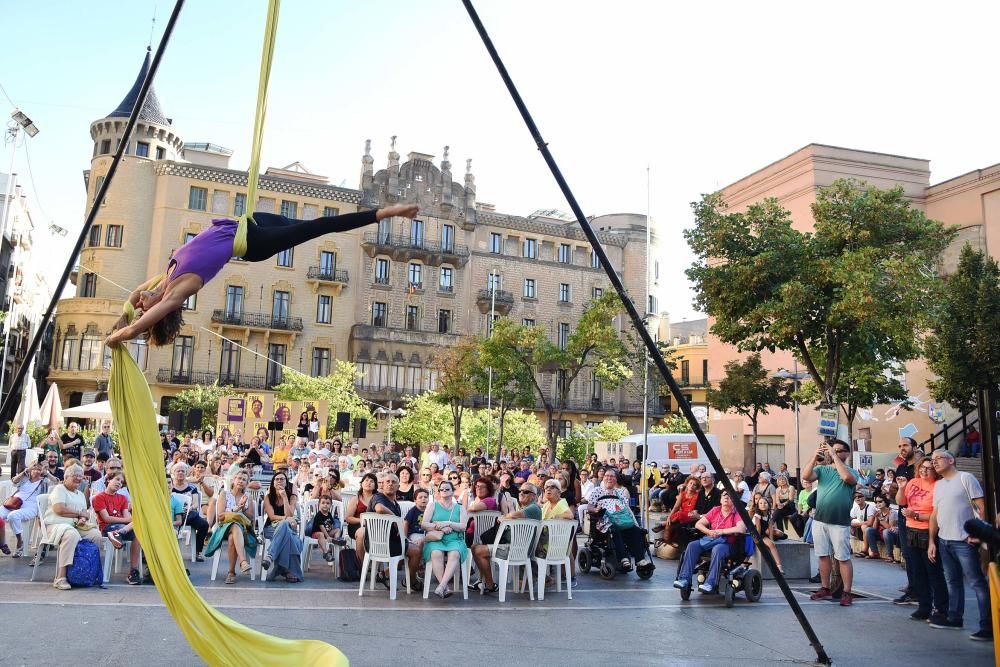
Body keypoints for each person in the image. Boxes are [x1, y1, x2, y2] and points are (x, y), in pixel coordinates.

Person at [105, 205, 419, 348]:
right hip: (255, 243)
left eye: (145, 305)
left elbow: (134, 296)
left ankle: (386, 213)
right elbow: (138, 328)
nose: (143, 303)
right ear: (160, 312)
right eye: (147, 309)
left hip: (251, 222)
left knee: (308, 222)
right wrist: (119, 336)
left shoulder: (163, 281)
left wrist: (120, 320)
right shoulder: (180, 290)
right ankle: (388, 213)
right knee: (319, 226)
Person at [927, 450, 992, 640]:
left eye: (938, 458)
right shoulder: (938, 485)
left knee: (977, 583)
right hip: (944, 540)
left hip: (964, 540)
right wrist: (932, 540)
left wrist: (980, 533)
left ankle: (987, 626)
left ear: (951, 460)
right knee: (953, 582)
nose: (934, 462)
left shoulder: (966, 478)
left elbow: (982, 507)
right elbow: (935, 514)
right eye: (932, 460)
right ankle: (954, 618)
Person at [802, 439, 858, 606]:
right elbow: (806, 476)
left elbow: (847, 478)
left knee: (843, 557)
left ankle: (847, 592)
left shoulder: (851, 471)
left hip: (839, 522)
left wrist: (834, 456)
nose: (835, 453)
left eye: (840, 450)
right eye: (834, 450)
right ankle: (825, 588)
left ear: (846, 454)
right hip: (820, 520)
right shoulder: (822, 469)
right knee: (822, 555)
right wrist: (814, 457)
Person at [897, 457, 948, 623]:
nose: (924, 471)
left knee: (933, 572)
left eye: (929, 468)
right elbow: (901, 501)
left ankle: (940, 609)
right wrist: (902, 487)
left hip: (929, 531)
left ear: (935, 471)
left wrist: (916, 515)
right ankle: (924, 607)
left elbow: (937, 514)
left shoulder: (938, 486)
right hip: (911, 530)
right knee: (917, 571)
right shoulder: (913, 482)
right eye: (922, 468)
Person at [673, 490, 746, 593]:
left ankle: (710, 583)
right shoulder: (715, 510)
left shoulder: (737, 512)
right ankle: (684, 579)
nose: (726, 496)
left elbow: (741, 529)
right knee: (692, 545)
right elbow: (698, 524)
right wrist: (709, 531)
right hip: (711, 539)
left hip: (727, 543)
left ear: (734, 500)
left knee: (717, 549)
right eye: (724, 495)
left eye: (729, 495)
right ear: (720, 499)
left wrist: (722, 531)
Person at [44, 464, 103, 590]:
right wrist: (79, 514)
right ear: (66, 477)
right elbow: (59, 509)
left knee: (95, 535)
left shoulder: (80, 494)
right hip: (56, 525)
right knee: (71, 534)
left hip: (75, 526)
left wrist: (82, 518)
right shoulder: (59, 489)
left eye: (80, 476)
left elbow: (84, 513)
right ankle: (61, 577)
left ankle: (88, 573)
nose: (78, 478)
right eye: (75, 475)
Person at [587, 468, 652, 571]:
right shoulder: (597, 491)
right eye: (607, 476)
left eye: (612, 476)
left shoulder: (620, 492)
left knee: (636, 531)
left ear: (616, 480)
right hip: (605, 522)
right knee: (614, 530)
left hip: (622, 520)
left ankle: (640, 560)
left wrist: (635, 523)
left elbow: (627, 509)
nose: (609, 478)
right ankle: (623, 558)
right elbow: (589, 507)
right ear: (603, 478)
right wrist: (595, 509)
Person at [204, 469, 256, 584]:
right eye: (239, 478)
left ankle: (231, 572)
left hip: (243, 529)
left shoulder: (248, 497)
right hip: (224, 528)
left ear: (247, 483)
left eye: (244, 480)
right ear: (233, 480)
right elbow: (221, 516)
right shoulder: (224, 494)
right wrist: (235, 510)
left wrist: (243, 509)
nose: (241, 481)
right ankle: (243, 561)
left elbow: (251, 517)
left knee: (234, 532)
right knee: (233, 524)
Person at [92, 472, 144, 584]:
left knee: (139, 531)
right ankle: (118, 533)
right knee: (136, 523)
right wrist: (128, 520)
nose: (119, 483)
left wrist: (129, 521)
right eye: (117, 479)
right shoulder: (99, 497)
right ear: (108, 480)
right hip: (107, 528)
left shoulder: (122, 498)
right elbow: (106, 519)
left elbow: (128, 517)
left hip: (121, 528)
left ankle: (133, 571)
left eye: (121, 482)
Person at [421, 479, 469, 598]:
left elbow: (463, 527)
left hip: (455, 539)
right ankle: (445, 587)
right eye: (441, 489)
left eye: (447, 489)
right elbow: (424, 524)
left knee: (454, 554)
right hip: (437, 538)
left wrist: (448, 523)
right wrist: (440, 527)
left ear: (453, 491)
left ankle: (441, 586)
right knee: (436, 553)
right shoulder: (432, 505)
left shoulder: (460, 507)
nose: (444, 491)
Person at [0, 462, 54, 557]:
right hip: (14, 502)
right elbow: (14, 481)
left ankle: (20, 541)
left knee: (12, 516)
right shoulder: (25, 479)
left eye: (39, 469)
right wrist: (26, 470)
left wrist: (48, 473)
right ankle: (2, 543)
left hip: (31, 506)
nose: (36, 471)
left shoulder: (44, 482)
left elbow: (57, 482)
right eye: (34, 468)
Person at [260, 470, 303, 583]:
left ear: (286, 482)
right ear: (273, 483)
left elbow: (289, 514)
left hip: (287, 530)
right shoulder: (268, 497)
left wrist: (284, 497)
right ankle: (290, 571)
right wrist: (285, 519)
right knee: (287, 528)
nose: (279, 481)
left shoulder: (291, 497)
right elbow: (272, 516)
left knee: (288, 534)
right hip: (270, 529)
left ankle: (271, 557)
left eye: (282, 479)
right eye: (277, 479)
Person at [168, 463, 210, 561]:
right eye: (178, 471)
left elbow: (195, 504)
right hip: (172, 514)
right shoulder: (170, 486)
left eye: (183, 471)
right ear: (174, 473)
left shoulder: (191, 487)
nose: (181, 473)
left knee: (204, 524)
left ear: (186, 473)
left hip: (188, 514)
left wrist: (189, 508)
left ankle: (198, 552)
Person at [655, 476, 701, 545]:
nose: (692, 486)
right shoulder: (682, 494)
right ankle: (667, 539)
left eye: (694, 485)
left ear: (696, 487)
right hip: (681, 516)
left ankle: (664, 525)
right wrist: (669, 518)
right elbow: (676, 507)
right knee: (672, 522)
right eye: (690, 483)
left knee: (679, 514)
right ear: (687, 484)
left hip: (690, 515)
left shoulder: (697, 495)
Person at [347, 473, 379, 566]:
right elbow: (348, 518)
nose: (368, 483)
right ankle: (361, 566)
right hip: (357, 525)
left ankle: (375, 567)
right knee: (361, 533)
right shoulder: (356, 498)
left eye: (371, 481)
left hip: (375, 527)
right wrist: (362, 520)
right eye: (366, 480)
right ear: (361, 483)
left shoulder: (379, 498)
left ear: (375, 485)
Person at [749, 497, 784, 574]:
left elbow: (770, 527)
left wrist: (771, 538)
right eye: (760, 503)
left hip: (763, 533)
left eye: (765, 503)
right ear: (758, 505)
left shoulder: (769, 514)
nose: (763, 505)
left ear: (769, 505)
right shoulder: (757, 515)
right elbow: (758, 528)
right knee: (750, 549)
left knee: (772, 544)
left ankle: (779, 566)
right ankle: (744, 565)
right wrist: (757, 540)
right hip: (756, 533)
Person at [310, 495, 343, 563]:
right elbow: (321, 527)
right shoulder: (319, 515)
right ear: (319, 504)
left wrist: (333, 533)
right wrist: (327, 536)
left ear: (331, 505)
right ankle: (325, 552)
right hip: (317, 533)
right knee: (321, 534)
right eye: (323, 503)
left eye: (327, 503)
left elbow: (332, 525)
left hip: (327, 533)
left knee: (337, 530)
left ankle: (336, 540)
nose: (325, 505)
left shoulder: (329, 514)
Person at [866, 496, 899, 562]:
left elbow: (890, 528)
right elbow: (874, 528)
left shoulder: (892, 512)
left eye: (880, 501)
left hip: (893, 536)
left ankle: (890, 555)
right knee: (869, 530)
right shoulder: (879, 512)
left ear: (886, 502)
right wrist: (876, 518)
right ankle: (875, 552)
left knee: (886, 531)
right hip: (882, 534)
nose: (878, 503)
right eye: (876, 502)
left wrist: (880, 519)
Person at [849, 492, 875, 557]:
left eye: (860, 496)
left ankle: (865, 550)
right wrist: (852, 527)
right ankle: (848, 548)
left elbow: (870, 523)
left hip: (872, 530)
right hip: (861, 529)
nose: (857, 498)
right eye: (855, 497)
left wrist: (855, 525)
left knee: (864, 527)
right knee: (845, 526)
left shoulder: (870, 507)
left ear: (864, 498)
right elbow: (849, 521)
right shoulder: (855, 508)